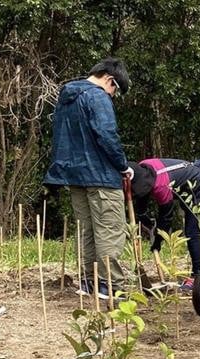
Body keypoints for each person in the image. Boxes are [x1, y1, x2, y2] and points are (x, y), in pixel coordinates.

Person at [44, 57, 134, 298]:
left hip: (75, 176)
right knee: (109, 230)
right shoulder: (97, 96)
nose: (113, 95)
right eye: (115, 89)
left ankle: (88, 282)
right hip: (101, 176)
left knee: (86, 230)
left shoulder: (67, 96)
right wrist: (123, 166)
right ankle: (109, 285)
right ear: (109, 79)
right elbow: (106, 134)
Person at [129, 158, 200, 289]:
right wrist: (142, 215)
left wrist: (158, 240)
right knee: (191, 226)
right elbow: (142, 193)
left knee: (192, 229)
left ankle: (197, 276)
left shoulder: (161, 186)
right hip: (187, 188)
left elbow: (166, 218)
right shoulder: (143, 167)